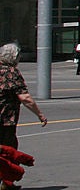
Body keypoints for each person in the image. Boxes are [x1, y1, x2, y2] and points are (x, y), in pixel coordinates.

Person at [1, 44, 47, 173]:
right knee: (8, 151)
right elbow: (25, 97)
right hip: (5, 120)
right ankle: (7, 180)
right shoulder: (11, 72)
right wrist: (40, 114)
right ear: (14, 57)